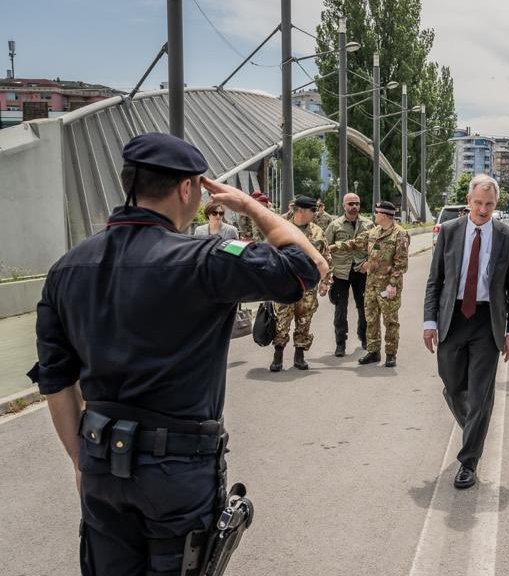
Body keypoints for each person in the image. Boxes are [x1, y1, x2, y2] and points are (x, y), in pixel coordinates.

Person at [28, 132, 327, 576]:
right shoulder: (207, 257)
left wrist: (81, 461)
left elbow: (56, 381)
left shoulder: (67, 268)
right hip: (177, 470)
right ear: (188, 189)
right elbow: (308, 268)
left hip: (100, 461)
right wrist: (251, 207)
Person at [423, 174, 509, 489]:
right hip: (452, 317)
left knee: (481, 395)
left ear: (496, 205)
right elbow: (435, 281)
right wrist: (429, 321)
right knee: (452, 386)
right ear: (468, 201)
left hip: (485, 321)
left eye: (489, 204)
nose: (483, 209)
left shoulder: (507, 236)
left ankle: (468, 462)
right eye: (478, 203)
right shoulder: (450, 232)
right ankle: (475, 432)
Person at [331, 201, 410, 367]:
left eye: (377, 213)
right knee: (371, 319)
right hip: (371, 284)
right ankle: (373, 352)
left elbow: (401, 264)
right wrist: (330, 247)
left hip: (388, 286)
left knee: (390, 321)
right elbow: (354, 243)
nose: (375, 216)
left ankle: (390, 354)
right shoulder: (373, 231)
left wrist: (393, 284)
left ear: (385, 215)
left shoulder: (400, 234)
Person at [270, 195, 331, 372]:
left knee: (304, 321)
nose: (315, 213)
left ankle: (299, 355)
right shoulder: (280, 227)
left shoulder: (317, 232)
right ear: (301, 210)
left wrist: (325, 281)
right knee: (282, 321)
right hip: (284, 285)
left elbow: (325, 257)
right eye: (313, 210)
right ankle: (278, 355)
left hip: (308, 286)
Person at [323, 192, 372, 357]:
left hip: (361, 270)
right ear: (344, 206)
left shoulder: (368, 224)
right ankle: (340, 343)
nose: (354, 207)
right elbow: (325, 247)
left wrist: (369, 262)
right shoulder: (335, 225)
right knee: (340, 308)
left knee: (364, 306)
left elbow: (377, 245)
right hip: (340, 272)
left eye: (357, 203)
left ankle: (364, 337)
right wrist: (327, 273)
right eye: (350, 203)